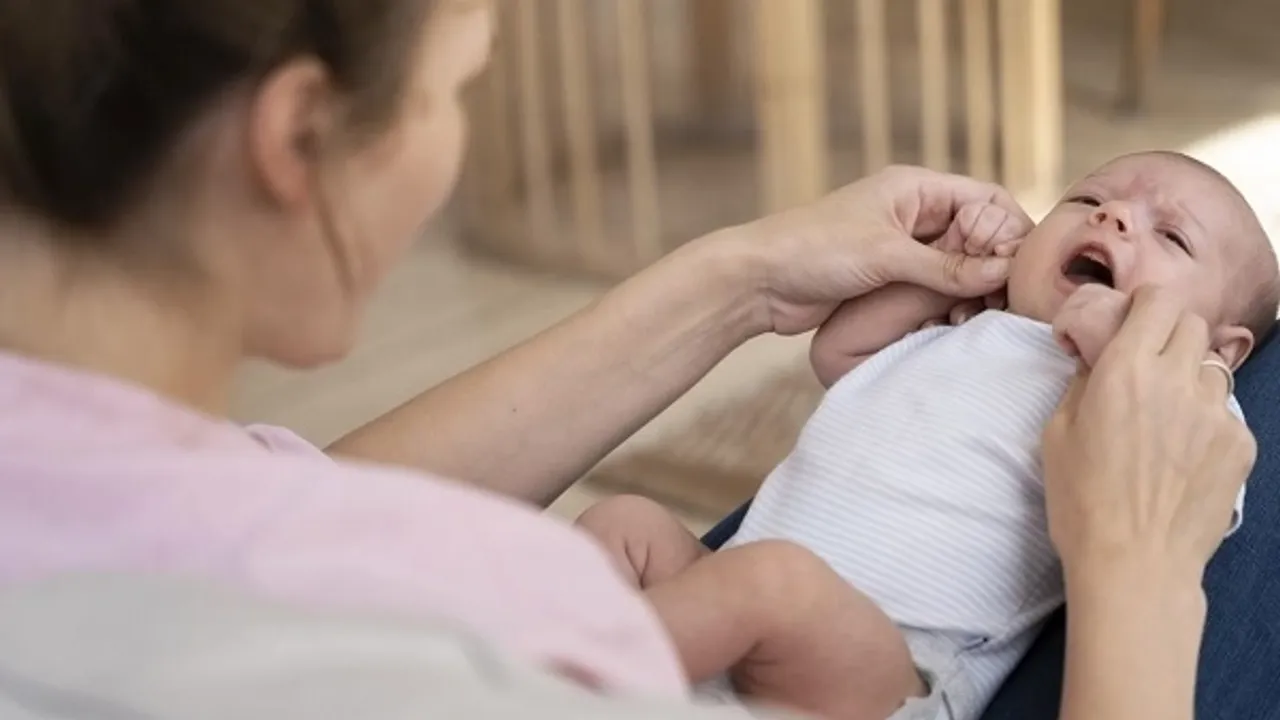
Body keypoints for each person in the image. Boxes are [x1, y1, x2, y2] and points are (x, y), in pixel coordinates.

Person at [0, 1, 1260, 719]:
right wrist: (1135, 574)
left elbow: (266, 499)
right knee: (710, 560)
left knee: (652, 535)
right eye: (457, 90)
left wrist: (745, 273)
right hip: (806, 648)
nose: (1111, 227)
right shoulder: (448, 669)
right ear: (298, 139)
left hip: (849, 634)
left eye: (1163, 237)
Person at [576, 151, 1279, 720]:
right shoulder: (973, 329)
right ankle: (566, 675)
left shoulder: (1179, 402)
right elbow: (842, 354)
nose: (1114, 215)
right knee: (624, 524)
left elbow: (1201, 504)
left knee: (771, 580)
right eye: (1086, 199)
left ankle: (567, 684)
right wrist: (946, 274)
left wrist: (1110, 334)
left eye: (1172, 236)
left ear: (1225, 349)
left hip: (889, 670)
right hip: (739, 607)